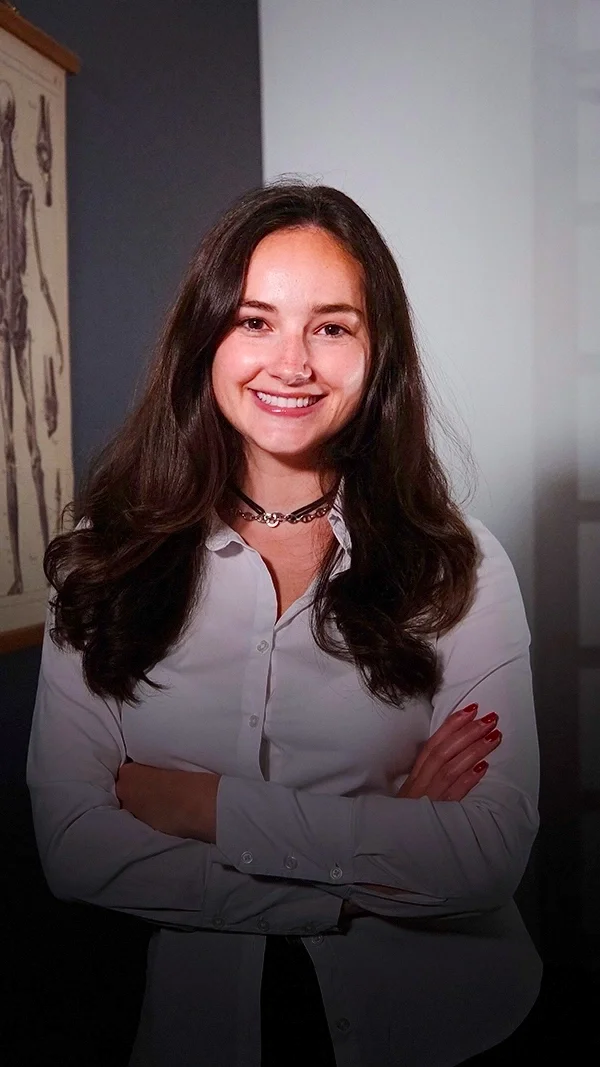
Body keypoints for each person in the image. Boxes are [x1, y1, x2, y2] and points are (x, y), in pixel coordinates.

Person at [27, 181, 542, 1067]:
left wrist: (204, 807)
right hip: (200, 1032)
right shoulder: (100, 558)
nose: (292, 362)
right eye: (255, 321)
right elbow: (75, 849)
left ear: (377, 354)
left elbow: (487, 857)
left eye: (332, 326)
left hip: (452, 1030)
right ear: (206, 338)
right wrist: (364, 864)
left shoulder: (462, 565)